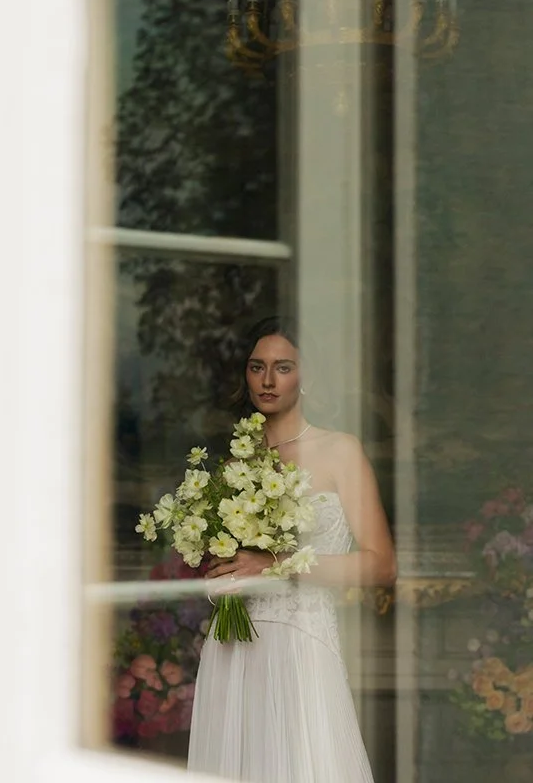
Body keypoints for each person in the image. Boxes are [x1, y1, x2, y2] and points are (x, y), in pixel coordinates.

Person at [188, 316, 396, 782]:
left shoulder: (339, 450)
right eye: (256, 366)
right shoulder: (236, 461)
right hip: (230, 649)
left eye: (283, 367)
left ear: (306, 376)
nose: (266, 379)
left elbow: (382, 566)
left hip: (301, 646)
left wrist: (275, 565)